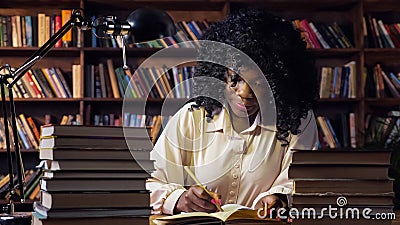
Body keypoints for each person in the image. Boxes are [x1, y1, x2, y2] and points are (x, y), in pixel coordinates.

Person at [146, 8, 319, 215]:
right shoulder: (192, 117)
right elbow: (150, 181)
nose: (244, 94)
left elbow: (300, 185)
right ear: (219, 73)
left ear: (280, 83)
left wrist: (278, 199)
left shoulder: (298, 121)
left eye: (259, 84)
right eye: (235, 79)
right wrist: (179, 199)